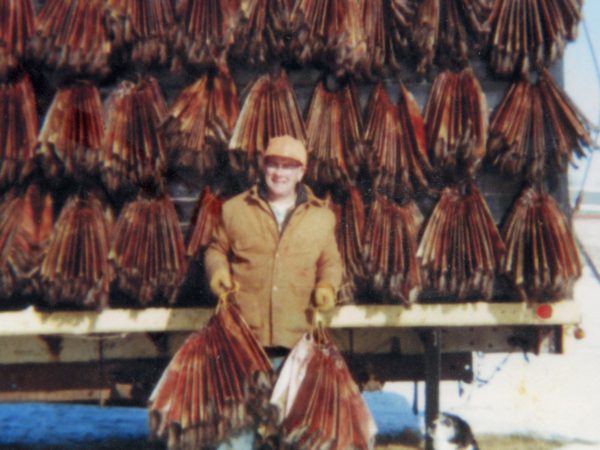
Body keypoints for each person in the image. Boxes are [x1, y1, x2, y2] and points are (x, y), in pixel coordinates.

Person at [205, 134, 343, 349]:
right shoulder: (235, 209)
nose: (279, 173)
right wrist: (218, 272)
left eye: (288, 167)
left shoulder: (321, 217)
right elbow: (216, 250)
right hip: (244, 338)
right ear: (264, 167)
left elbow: (330, 263)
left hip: (297, 339)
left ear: (300, 173)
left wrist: (327, 286)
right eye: (274, 165)